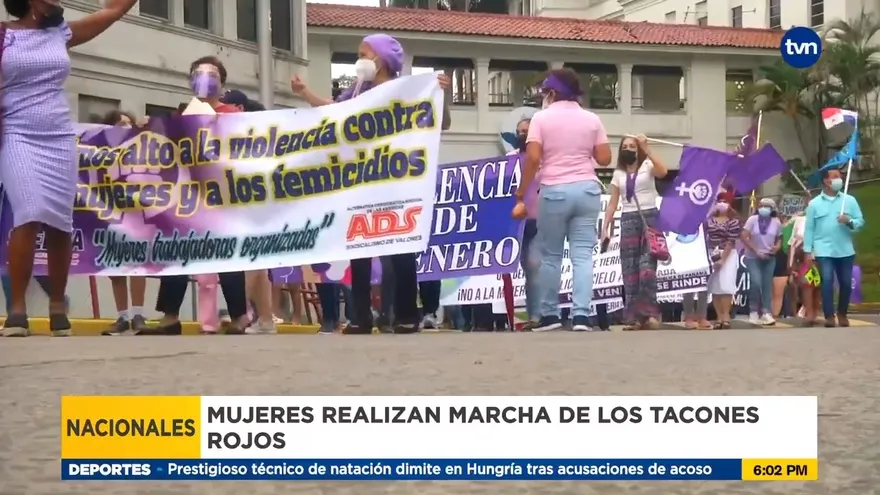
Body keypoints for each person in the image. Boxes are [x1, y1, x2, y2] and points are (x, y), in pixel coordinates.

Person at [291, 33, 451, 334]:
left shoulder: (410, 90)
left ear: (382, 60)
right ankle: (360, 316)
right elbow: (332, 111)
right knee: (359, 248)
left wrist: (441, 94)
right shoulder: (356, 93)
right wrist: (305, 93)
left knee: (401, 247)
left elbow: (439, 121)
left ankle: (406, 315)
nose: (360, 60)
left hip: (398, 181)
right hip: (362, 182)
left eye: (364, 54)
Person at [0, 0, 138, 337]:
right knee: (28, 212)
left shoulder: (61, 32)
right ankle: (17, 310)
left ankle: (57, 306)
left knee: (61, 220)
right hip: (17, 131)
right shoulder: (4, 36)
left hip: (58, 134)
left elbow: (112, 11)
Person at [148, 56, 250, 336]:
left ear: (223, 82)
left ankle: (239, 316)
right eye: (199, 73)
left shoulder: (233, 114)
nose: (205, 77)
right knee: (179, 249)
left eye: (212, 73)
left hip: (222, 193)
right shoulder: (181, 117)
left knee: (226, 252)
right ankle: (170, 316)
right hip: (188, 194)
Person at [513, 68, 612, 332]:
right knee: (582, 256)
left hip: (554, 190)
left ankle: (550, 315)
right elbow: (604, 159)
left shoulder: (541, 119)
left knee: (551, 255)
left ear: (552, 92)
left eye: (545, 92)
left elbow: (533, 158)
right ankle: (581, 315)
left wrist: (521, 193)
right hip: (587, 190)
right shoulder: (592, 119)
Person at [217, 89, 276, 334]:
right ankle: (265, 319)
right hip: (251, 199)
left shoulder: (250, 133)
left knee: (250, 256)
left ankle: (242, 313)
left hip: (253, 198)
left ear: (237, 109)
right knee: (257, 261)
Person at [602, 134, 668, 331]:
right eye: (626, 146)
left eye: (632, 146)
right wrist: (605, 227)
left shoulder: (647, 165)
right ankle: (633, 317)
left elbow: (663, 171)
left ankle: (649, 314)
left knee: (647, 269)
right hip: (628, 219)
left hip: (650, 218)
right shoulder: (618, 174)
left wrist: (647, 148)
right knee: (630, 271)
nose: (629, 149)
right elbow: (613, 202)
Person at [97, 110, 150, 335]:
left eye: (129, 123)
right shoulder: (101, 151)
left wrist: (145, 127)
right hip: (111, 212)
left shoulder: (139, 149)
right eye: (121, 124)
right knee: (116, 267)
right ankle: (122, 317)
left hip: (137, 212)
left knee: (138, 264)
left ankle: (138, 314)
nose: (126, 127)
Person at [803, 168, 865, 327]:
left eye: (840, 176)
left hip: (845, 249)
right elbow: (809, 228)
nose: (839, 179)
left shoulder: (849, 201)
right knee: (827, 280)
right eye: (835, 176)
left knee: (845, 282)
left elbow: (860, 222)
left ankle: (842, 313)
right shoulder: (814, 204)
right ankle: (829, 316)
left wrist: (849, 221)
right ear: (826, 181)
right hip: (823, 250)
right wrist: (807, 251)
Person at [741, 198, 783, 325]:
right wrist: (755, 250)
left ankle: (766, 312)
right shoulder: (752, 220)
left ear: (772, 209)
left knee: (767, 285)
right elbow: (744, 236)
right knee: (756, 282)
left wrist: (777, 247)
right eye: (761, 205)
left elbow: (779, 238)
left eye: (767, 206)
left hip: (769, 257)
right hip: (753, 257)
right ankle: (753, 311)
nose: (763, 208)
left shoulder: (776, 222)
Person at [704, 192, 740, 329]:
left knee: (726, 285)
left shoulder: (733, 221)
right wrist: (714, 258)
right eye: (720, 201)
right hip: (712, 253)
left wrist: (722, 260)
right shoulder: (708, 221)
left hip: (728, 254)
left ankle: (726, 315)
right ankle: (718, 316)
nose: (722, 203)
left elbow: (731, 241)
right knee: (715, 286)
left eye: (725, 201)